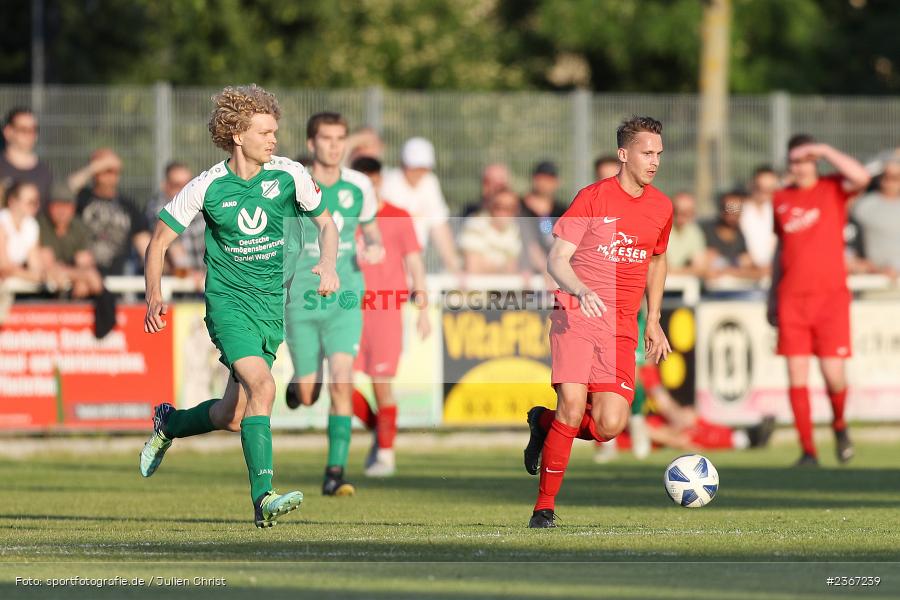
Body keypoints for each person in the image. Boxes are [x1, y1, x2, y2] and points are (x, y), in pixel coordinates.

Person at [139, 84, 339, 529]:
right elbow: (158, 243)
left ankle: (168, 424)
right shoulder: (207, 186)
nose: (273, 140)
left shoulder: (290, 175)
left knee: (232, 417)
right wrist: (155, 293)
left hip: (271, 306)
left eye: (275, 131)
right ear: (236, 134)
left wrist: (328, 263)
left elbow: (327, 225)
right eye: (264, 132)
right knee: (263, 387)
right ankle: (262, 498)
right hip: (228, 305)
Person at [522, 116, 673, 528]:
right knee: (572, 407)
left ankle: (542, 424)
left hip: (621, 325)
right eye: (647, 153)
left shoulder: (662, 206)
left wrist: (654, 318)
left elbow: (658, 260)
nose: (655, 161)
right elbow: (557, 259)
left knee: (609, 425)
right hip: (576, 314)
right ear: (624, 155)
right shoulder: (592, 198)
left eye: (659, 153)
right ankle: (544, 509)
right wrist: (582, 290)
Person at [283, 112, 384, 497]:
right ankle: (300, 388)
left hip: (344, 298)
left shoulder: (358, 185)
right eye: (326, 138)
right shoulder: (294, 184)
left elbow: (373, 233)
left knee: (343, 381)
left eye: (340, 138)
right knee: (309, 393)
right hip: (302, 301)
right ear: (312, 144)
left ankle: (335, 472)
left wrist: (374, 247)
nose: (335, 145)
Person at [770, 134, 870, 467]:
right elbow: (780, 249)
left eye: (804, 160)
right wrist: (772, 297)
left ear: (815, 161)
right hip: (792, 299)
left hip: (830, 299)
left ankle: (839, 425)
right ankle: (808, 451)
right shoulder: (780, 198)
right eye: (794, 161)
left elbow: (862, 178)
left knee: (834, 376)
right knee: (796, 374)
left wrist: (826, 149)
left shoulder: (832, 188)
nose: (798, 167)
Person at [348, 156, 431, 477]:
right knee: (337, 385)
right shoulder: (342, 218)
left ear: (380, 181)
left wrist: (423, 308)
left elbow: (414, 264)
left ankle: (385, 453)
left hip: (385, 313)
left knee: (382, 384)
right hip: (347, 311)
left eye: (373, 180)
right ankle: (381, 433)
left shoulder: (398, 216)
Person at [380, 137, 462, 278]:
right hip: (388, 263)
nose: (419, 173)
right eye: (415, 168)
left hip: (414, 262)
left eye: (423, 168)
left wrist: (455, 269)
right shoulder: (389, 183)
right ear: (404, 164)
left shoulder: (430, 183)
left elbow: (439, 226)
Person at [68, 149, 151, 276]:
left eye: (114, 171)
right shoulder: (82, 198)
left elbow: (144, 243)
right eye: (105, 170)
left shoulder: (128, 205)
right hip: (86, 274)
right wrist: (96, 166)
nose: (111, 176)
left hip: (120, 275)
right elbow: (67, 187)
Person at [38, 184, 103, 298]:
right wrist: (85, 276)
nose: (62, 211)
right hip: (40, 291)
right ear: (49, 207)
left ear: (73, 208)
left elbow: (84, 264)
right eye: (57, 206)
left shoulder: (78, 227)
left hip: (71, 287)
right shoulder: (41, 225)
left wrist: (80, 279)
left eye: (66, 206)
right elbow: (49, 268)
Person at [146, 161, 204, 284]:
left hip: (201, 281)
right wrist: (190, 274)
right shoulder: (160, 208)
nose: (184, 190)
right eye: (177, 185)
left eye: (188, 184)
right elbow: (175, 252)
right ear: (165, 186)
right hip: (174, 285)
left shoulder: (198, 205)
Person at [458, 187, 526, 275]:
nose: (503, 212)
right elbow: (473, 269)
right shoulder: (475, 224)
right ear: (490, 206)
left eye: (510, 208)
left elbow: (511, 270)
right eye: (499, 206)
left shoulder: (513, 229)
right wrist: (502, 268)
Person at [852, 159, 900, 276]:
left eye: (895, 177)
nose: (888, 182)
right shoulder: (862, 205)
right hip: (873, 281)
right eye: (885, 176)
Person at [702, 190, 760, 281]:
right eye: (729, 208)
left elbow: (752, 268)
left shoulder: (741, 234)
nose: (733, 214)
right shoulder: (706, 231)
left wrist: (728, 269)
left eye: (737, 209)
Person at [0, 108, 52, 208]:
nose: (30, 134)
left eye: (34, 129)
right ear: (8, 132)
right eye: (23, 129)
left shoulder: (44, 172)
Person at [0, 181, 43, 283]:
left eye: (37, 202)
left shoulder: (31, 225)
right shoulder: (2, 222)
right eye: (31, 202)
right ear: (12, 201)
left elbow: (35, 265)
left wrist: (37, 275)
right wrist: (34, 276)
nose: (36, 206)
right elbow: (4, 267)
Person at [740, 166, 778, 272]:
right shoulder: (741, 207)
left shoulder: (779, 208)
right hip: (747, 270)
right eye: (760, 187)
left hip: (773, 268)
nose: (764, 192)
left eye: (769, 188)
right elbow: (726, 212)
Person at [665, 191, 707, 276]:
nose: (681, 215)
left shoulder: (694, 232)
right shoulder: (661, 229)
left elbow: (701, 268)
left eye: (687, 212)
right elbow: (662, 267)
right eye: (678, 211)